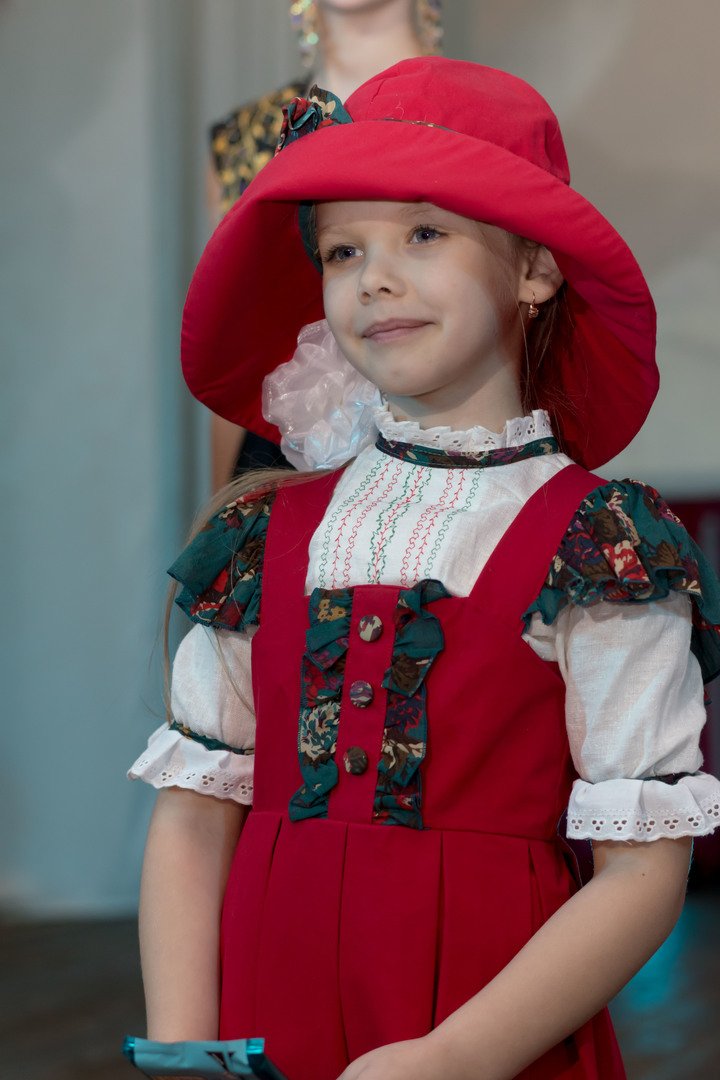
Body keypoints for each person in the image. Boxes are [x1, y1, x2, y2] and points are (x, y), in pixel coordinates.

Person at [130, 58, 720, 1080]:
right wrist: (185, 1050)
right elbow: (192, 816)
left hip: (491, 1037)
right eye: (342, 249)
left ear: (535, 271)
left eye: (424, 234)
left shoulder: (602, 548)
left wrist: (456, 1057)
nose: (375, 277)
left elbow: (641, 873)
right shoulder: (264, 532)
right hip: (271, 1024)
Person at [208, 0, 443, 487]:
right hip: (286, 455)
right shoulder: (245, 139)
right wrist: (224, 510)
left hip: (449, 437)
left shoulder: (480, 115)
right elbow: (238, 345)